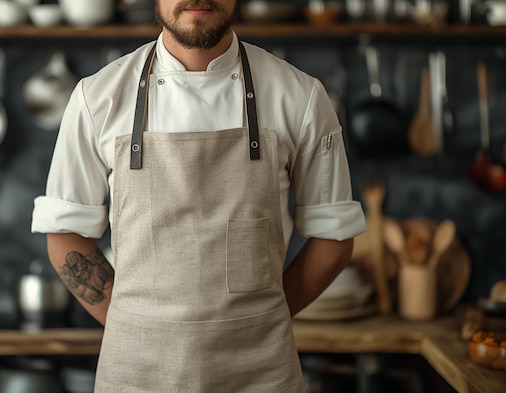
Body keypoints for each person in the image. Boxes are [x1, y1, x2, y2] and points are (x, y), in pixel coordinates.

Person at [31, 0, 366, 391]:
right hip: (137, 375)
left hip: (261, 375)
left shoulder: (302, 97)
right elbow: (65, 235)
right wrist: (137, 324)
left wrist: (260, 320)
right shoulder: (96, 98)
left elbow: (334, 237)